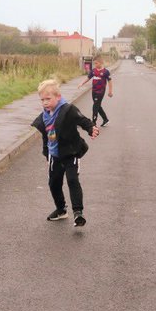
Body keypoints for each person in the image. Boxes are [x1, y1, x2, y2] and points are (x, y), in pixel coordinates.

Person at [30, 79, 99, 227]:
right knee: (53, 183)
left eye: (48, 99)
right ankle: (61, 210)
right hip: (54, 155)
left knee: (72, 180)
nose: (45, 103)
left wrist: (91, 128)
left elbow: (83, 120)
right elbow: (46, 137)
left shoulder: (68, 110)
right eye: (42, 100)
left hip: (70, 152)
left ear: (58, 97)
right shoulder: (44, 117)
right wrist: (46, 153)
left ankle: (78, 213)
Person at [89, 59, 113, 127]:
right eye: (94, 63)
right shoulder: (93, 70)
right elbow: (88, 77)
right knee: (97, 106)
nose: (95, 65)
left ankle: (93, 123)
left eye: (96, 63)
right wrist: (81, 83)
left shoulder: (106, 71)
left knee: (95, 106)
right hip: (94, 91)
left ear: (101, 63)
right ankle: (105, 119)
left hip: (101, 91)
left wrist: (110, 91)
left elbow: (110, 81)